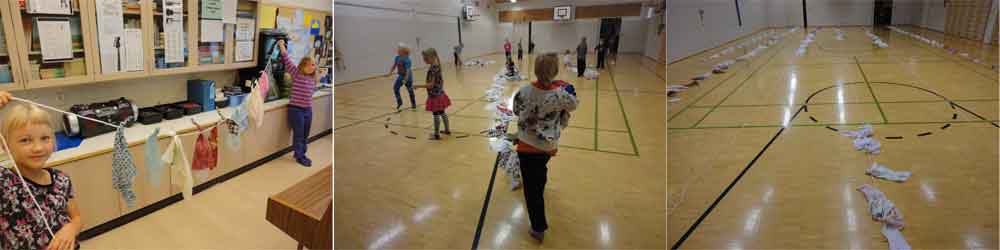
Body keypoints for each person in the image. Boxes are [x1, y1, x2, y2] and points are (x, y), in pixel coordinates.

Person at [0, 91, 84, 250]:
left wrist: (71, 229)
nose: (38, 148)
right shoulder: (4, 182)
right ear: (6, 146)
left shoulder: (61, 179)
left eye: (45, 138)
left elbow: (77, 217)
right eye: (25, 140)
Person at [512, 53, 578, 242]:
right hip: (546, 148)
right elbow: (573, 105)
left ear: (535, 70)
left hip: (526, 146)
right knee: (539, 173)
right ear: (555, 72)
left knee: (531, 191)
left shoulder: (524, 90)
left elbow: (516, 110)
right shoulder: (560, 94)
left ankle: (538, 228)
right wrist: (562, 88)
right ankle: (539, 184)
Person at [277, 40, 318, 167]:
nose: (313, 67)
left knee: (305, 133)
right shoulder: (297, 74)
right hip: (296, 110)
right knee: (299, 134)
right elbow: (286, 59)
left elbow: (309, 93)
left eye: (314, 65)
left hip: (308, 110)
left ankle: (301, 153)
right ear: (303, 66)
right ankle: (300, 156)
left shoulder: (313, 79)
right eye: (311, 65)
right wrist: (281, 45)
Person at [412, 48, 452, 140]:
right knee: (442, 112)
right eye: (424, 58)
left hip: (435, 96)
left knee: (436, 114)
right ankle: (447, 130)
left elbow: (430, 85)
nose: (424, 60)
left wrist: (418, 86)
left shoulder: (433, 69)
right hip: (440, 94)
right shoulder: (437, 66)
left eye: (426, 58)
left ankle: (436, 135)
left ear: (433, 57)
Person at [387, 44, 416, 110]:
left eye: (399, 50)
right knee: (395, 88)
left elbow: (408, 71)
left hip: (408, 77)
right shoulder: (397, 57)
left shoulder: (407, 60)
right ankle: (399, 102)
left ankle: (413, 104)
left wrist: (406, 79)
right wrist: (390, 73)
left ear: (403, 51)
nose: (397, 51)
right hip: (400, 76)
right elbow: (394, 65)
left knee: (410, 90)